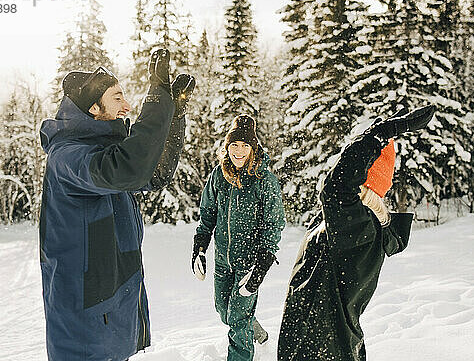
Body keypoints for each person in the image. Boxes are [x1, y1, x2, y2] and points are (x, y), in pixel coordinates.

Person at [38, 49, 196, 361]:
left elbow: (153, 173)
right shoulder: (69, 157)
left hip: (116, 311)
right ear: (94, 108)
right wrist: (158, 97)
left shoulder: (105, 152)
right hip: (86, 328)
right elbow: (129, 169)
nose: (127, 107)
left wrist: (172, 117)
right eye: (117, 98)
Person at [277, 105, 436, 361]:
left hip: (321, 350)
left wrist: (380, 135)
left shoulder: (358, 227)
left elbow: (336, 186)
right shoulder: (353, 224)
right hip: (325, 347)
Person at [191, 115, 286, 361]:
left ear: (253, 148)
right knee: (224, 311)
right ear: (227, 147)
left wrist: (261, 266)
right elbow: (208, 214)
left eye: (245, 145)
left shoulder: (264, 181)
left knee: (237, 320)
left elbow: (273, 224)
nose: (239, 151)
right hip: (223, 260)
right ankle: (258, 334)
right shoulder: (219, 176)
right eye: (234, 145)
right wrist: (199, 248)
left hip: (249, 263)